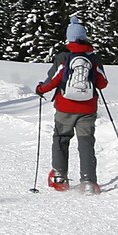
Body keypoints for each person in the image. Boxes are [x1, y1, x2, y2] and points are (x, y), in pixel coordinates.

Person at [35, 16, 108, 192]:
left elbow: (53, 80)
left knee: (61, 139)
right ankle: (89, 182)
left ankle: (60, 178)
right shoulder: (94, 58)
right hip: (88, 108)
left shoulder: (63, 57)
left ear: (69, 38)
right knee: (86, 142)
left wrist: (40, 89)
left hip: (65, 107)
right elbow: (103, 83)